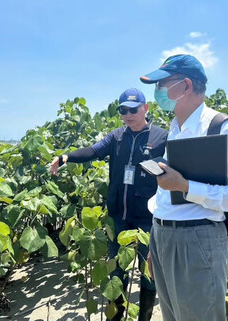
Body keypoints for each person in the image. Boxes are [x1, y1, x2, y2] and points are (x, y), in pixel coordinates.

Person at [139, 54, 228, 321]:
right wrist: (155, 244)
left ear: (186, 86)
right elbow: (165, 193)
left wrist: (186, 186)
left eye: (163, 84)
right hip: (164, 237)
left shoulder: (219, 127)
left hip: (196, 239)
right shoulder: (176, 128)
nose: (158, 92)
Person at [50, 88, 168, 321]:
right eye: (123, 110)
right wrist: (66, 157)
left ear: (145, 108)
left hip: (148, 219)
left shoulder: (161, 137)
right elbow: (92, 151)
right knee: (117, 272)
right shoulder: (117, 137)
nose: (128, 114)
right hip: (119, 217)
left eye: (133, 110)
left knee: (149, 274)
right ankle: (117, 317)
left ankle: (144, 316)